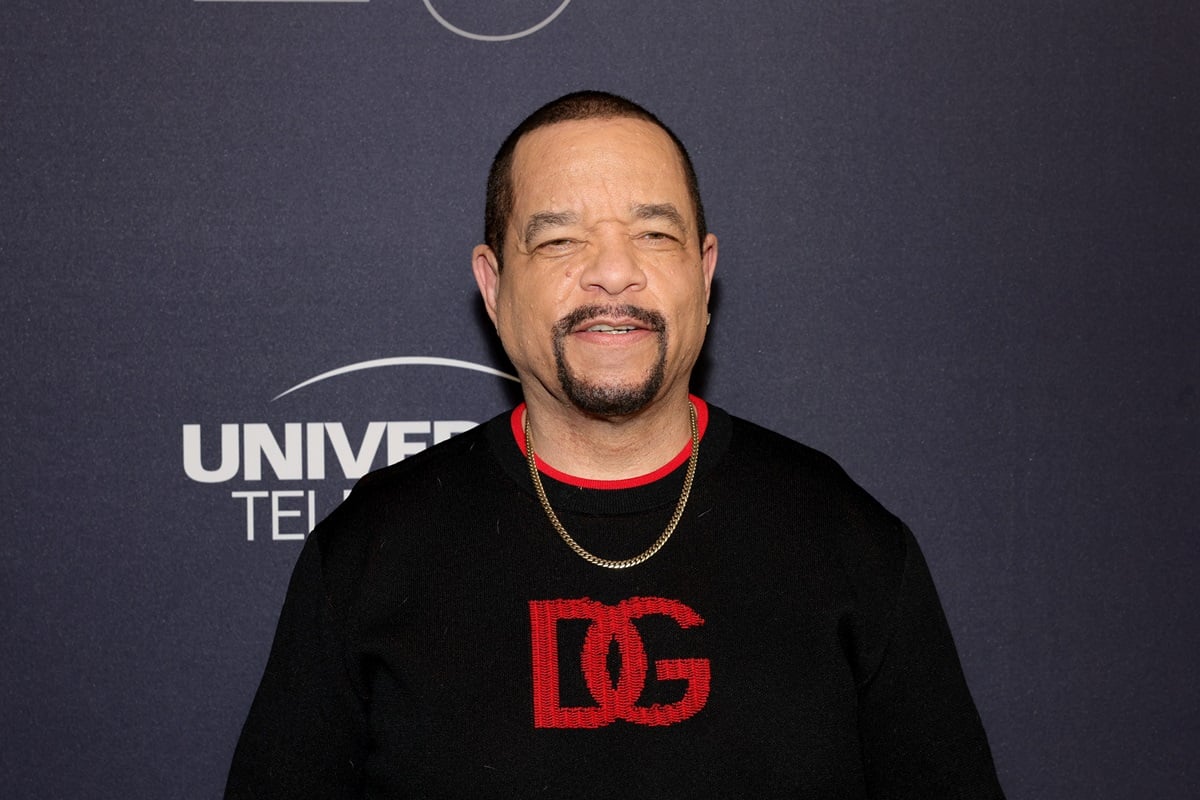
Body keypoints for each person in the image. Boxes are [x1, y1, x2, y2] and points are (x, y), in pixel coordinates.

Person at [226, 90, 1005, 798]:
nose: (612, 273)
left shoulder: (846, 539)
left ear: (704, 273)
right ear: (493, 286)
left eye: (654, 234)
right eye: (560, 241)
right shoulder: (372, 550)